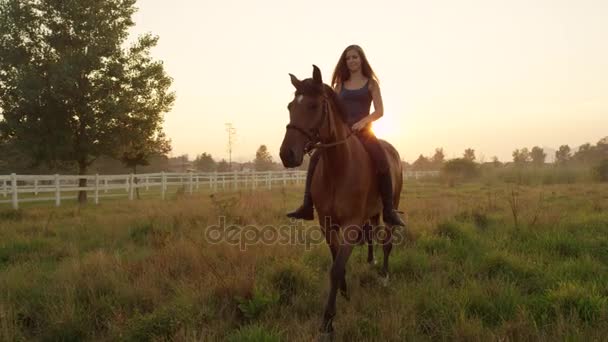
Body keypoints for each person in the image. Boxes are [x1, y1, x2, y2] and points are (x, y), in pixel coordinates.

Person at [287, 45, 405, 226]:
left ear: (361, 59)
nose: (351, 61)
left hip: (364, 132)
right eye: (348, 58)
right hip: (341, 132)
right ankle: (306, 205)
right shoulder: (339, 85)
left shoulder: (371, 83)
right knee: (316, 159)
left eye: (355, 57)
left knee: (381, 160)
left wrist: (363, 122)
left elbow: (379, 111)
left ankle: (388, 209)